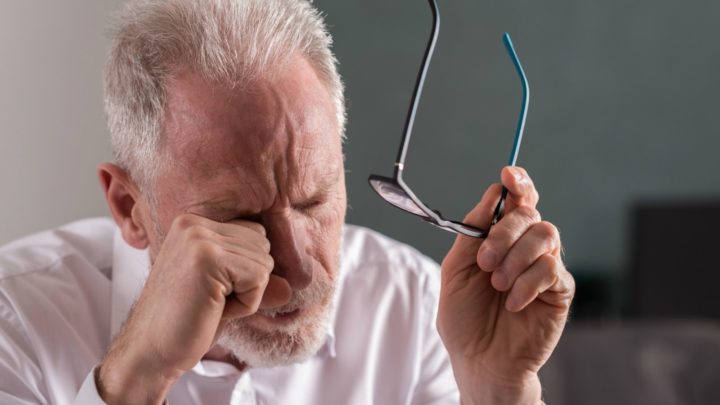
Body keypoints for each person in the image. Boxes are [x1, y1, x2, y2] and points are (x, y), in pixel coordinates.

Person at [0, 0, 575, 403]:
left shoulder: (414, 308)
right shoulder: (16, 324)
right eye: (239, 220)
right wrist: (134, 378)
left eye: (313, 199)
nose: (299, 269)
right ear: (130, 207)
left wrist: (495, 390)